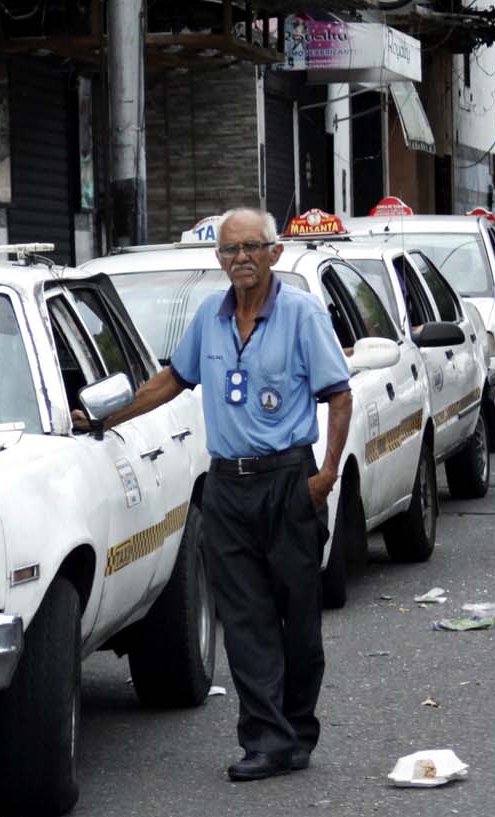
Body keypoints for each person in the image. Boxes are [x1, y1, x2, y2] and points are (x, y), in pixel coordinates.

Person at [79, 208, 352, 782]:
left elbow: (339, 395)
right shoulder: (209, 317)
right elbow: (170, 380)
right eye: (230, 251)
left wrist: (325, 476)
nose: (241, 259)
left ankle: (296, 727)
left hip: (288, 482)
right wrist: (104, 418)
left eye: (252, 247)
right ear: (219, 259)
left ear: (274, 253)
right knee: (245, 616)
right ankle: (266, 740)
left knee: (298, 622)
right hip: (227, 486)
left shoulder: (301, 315)